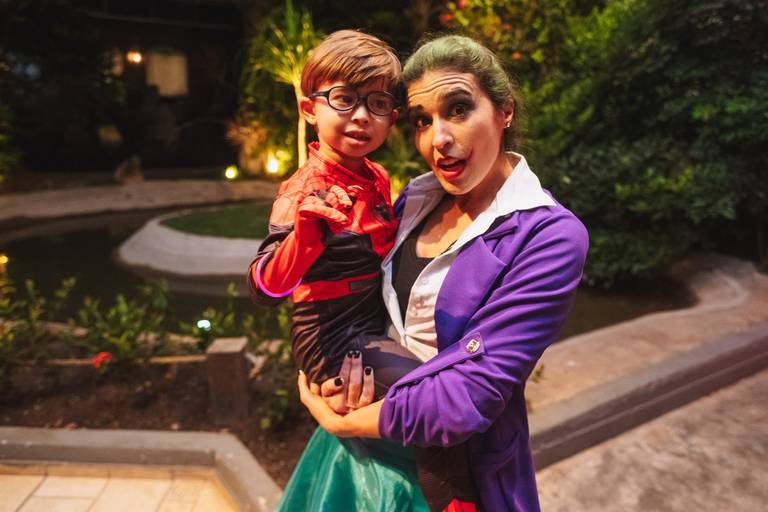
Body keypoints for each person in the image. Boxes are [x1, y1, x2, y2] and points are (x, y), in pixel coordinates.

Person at [296, 35, 589, 512]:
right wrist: (324, 373)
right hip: (353, 457)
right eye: (422, 120)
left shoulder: (549, 236)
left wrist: (344, 421)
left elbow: (471, 393)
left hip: (452, 475)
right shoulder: (414, 198)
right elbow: (352, 299)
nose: (438, 139)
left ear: (504, 111)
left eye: (458, 109)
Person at [247, 30, 431, 510]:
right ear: (310, 108)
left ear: (392, 117)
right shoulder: (302, 191)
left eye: (378, 103)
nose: (362, 116)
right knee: (429, 398)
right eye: (345, 99)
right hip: (333, 335)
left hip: (370, 320)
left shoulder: (375, 176)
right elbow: (264, 286)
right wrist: (305, 240)